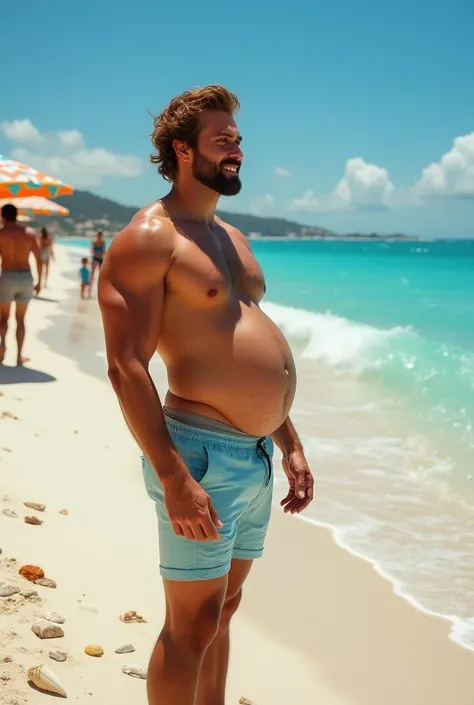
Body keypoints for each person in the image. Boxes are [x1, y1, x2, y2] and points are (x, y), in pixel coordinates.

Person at [98, 85, 314, 705]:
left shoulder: (233, 237)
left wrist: (289, 442)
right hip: (199, 457)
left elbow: (244, 342)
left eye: (238, 140)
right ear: (182, 150)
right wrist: (172, 476)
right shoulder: (149, 237)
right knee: (190, 624)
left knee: (222, 613)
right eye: (222, 140)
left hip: (254, 455)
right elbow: (125, 364)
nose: (237, 150)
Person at [0, 204, 42, 365]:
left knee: (3, 317)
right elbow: (39, 259)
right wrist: (39, 281)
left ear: (3, 216)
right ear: (16, 215)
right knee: (20, 318)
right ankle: (18, 357)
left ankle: (2, 346)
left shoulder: (1, 234)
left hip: (7, 276)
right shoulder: (29, 234)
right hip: (25, 277)